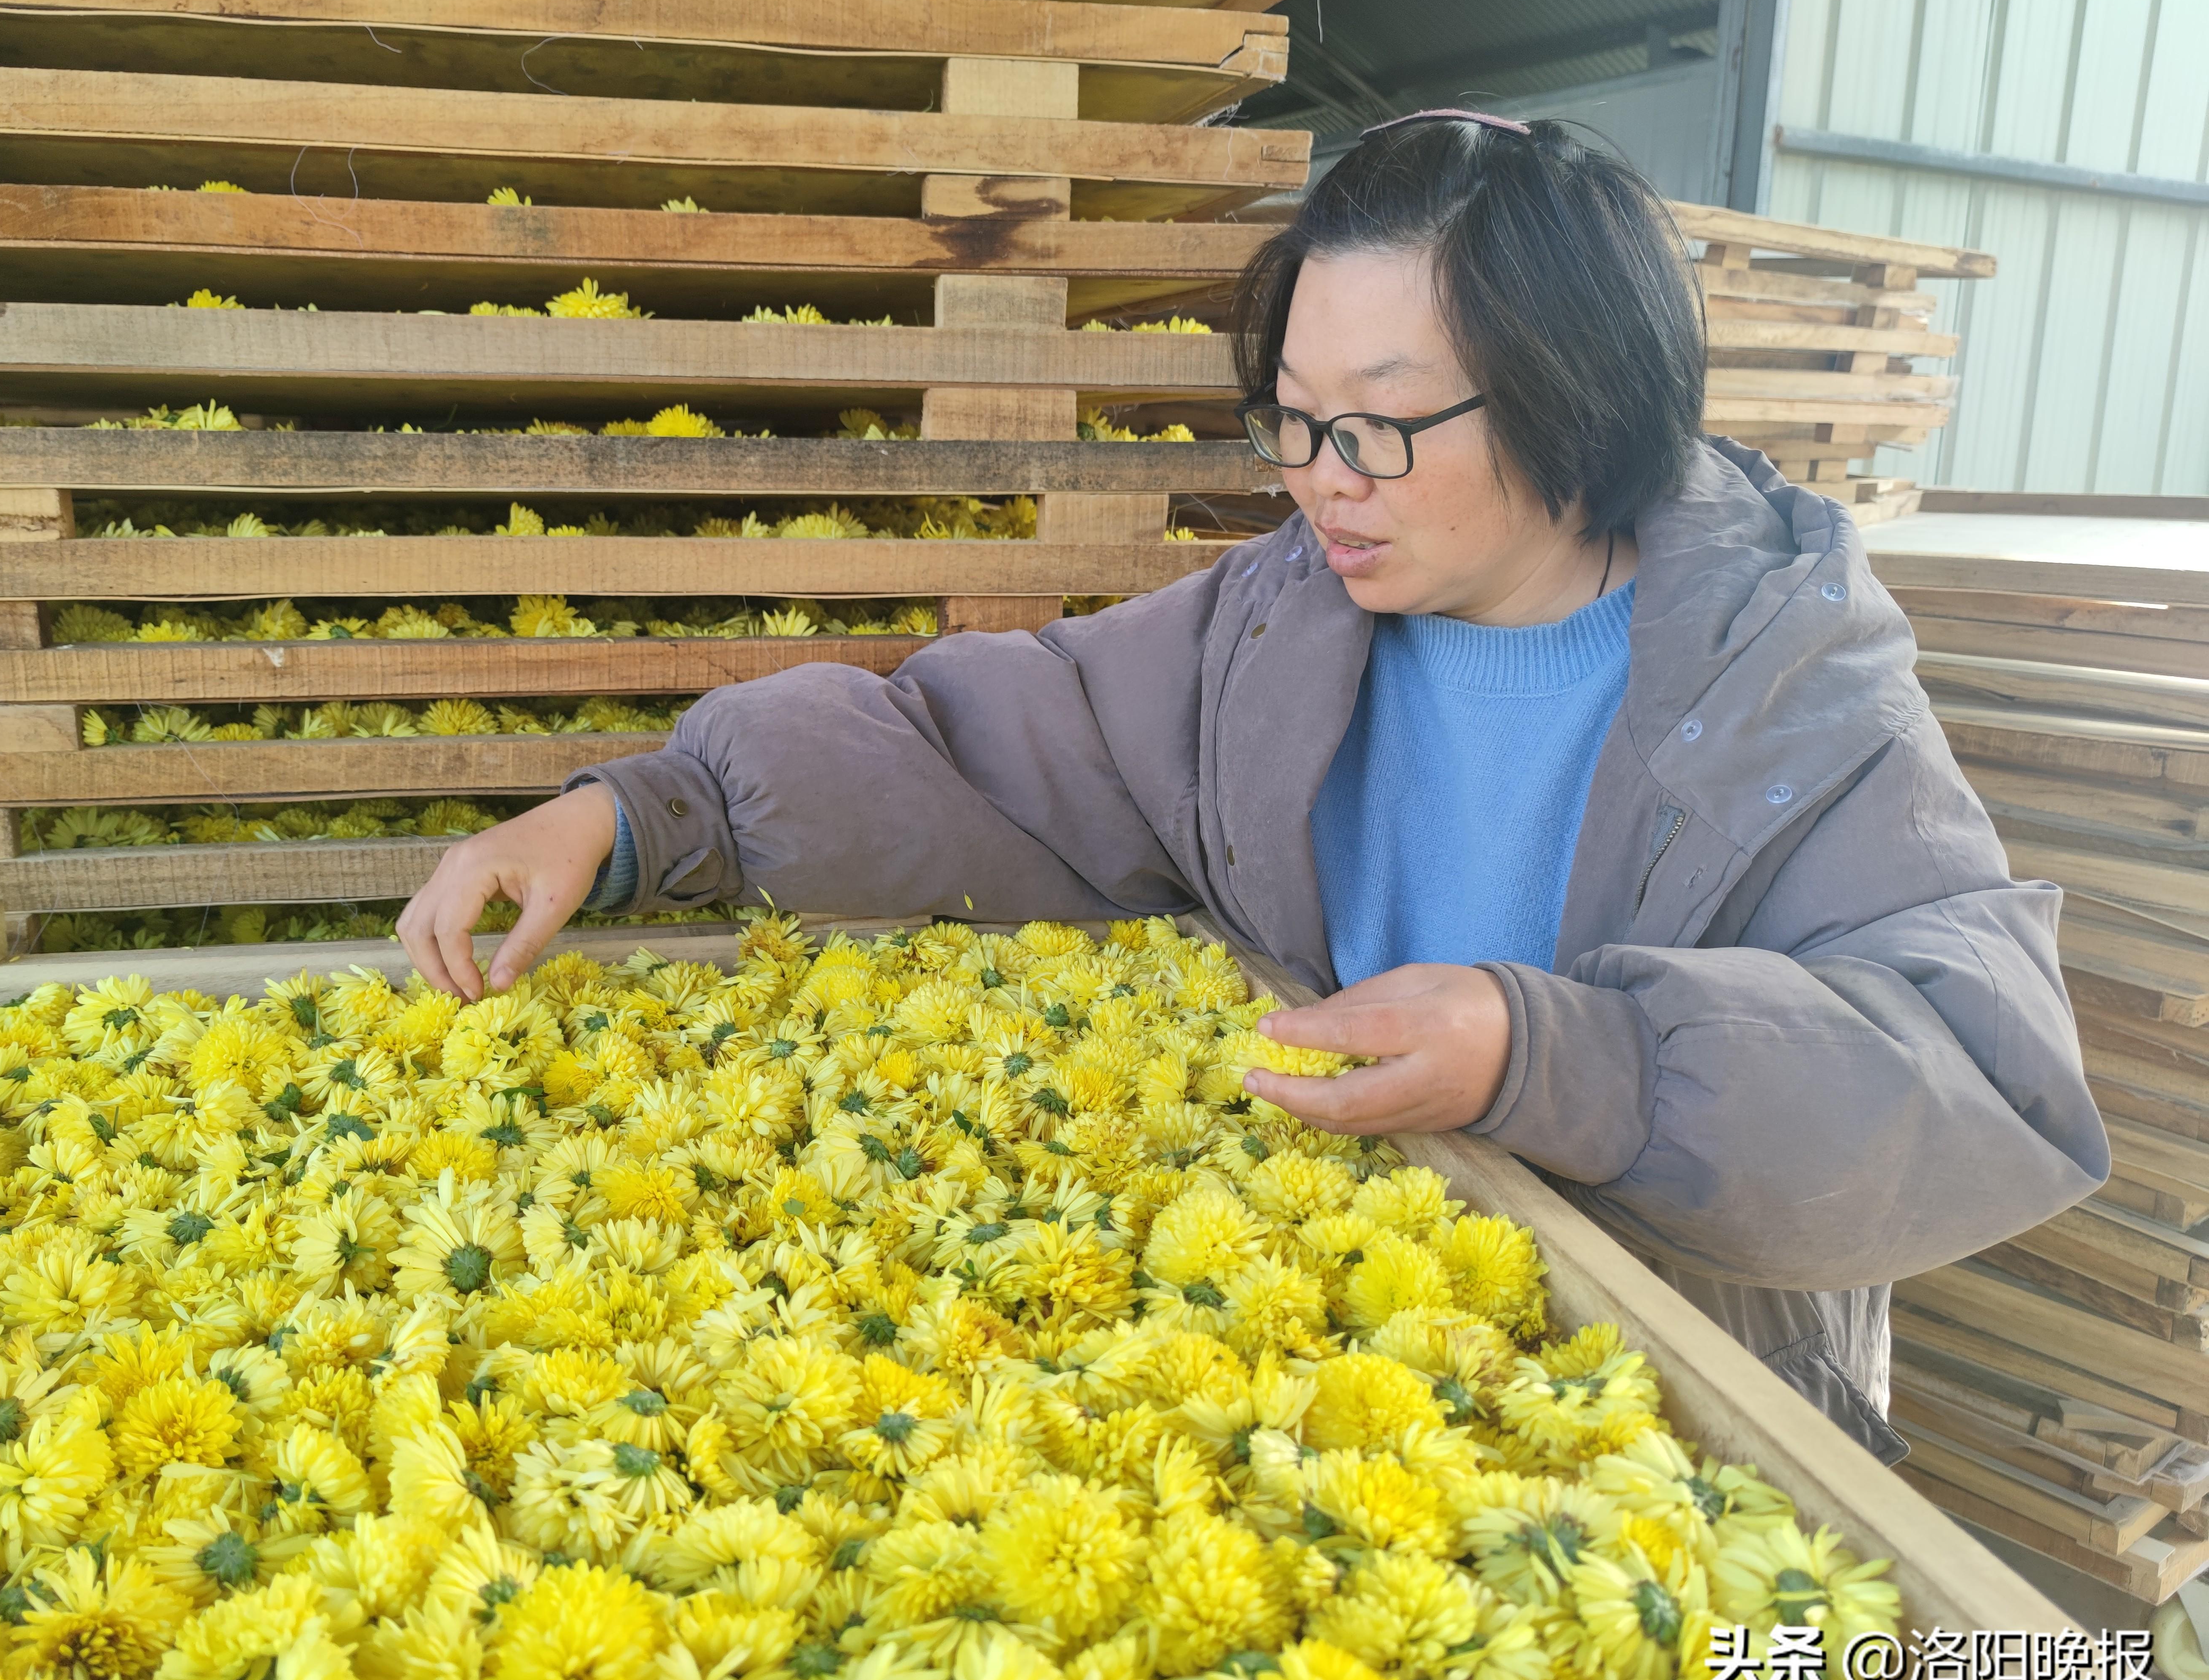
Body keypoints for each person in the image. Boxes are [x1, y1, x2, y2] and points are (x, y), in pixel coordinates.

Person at [399, 111, 2107, 1458]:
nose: (1318, 484)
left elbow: (1976, 1071)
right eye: (1288, 420)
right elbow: (985, 742)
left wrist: (1551, 1056)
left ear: (1576, 391)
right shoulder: (1269, 632)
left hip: (1663, 1417)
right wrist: (641, 816)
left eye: (1377, 423)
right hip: (1325, 1384)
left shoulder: (1779, 687)